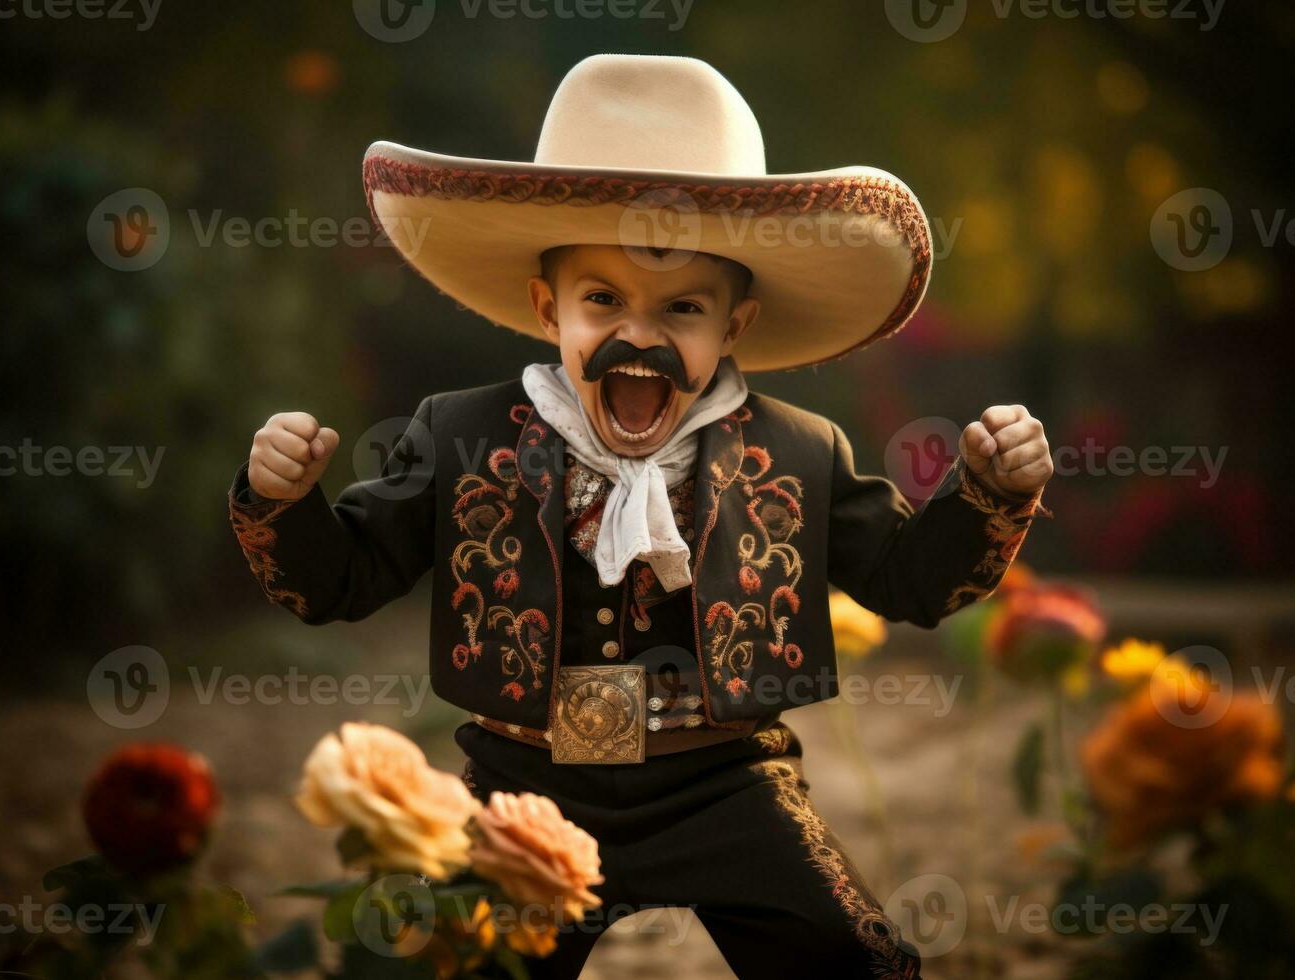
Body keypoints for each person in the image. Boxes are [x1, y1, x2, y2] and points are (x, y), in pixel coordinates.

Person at [229, 54, 1053, 979]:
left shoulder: (799, 451)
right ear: (549, 310)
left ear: (733, 325)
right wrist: (284, 500)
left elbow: (910, 580)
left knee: (855, 961)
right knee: (452, 971)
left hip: (723, 779)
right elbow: (339, 580)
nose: (641, 336)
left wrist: (987, 491)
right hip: (526, 783)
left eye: (684, 308)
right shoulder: (460, 433)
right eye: (602, 301)